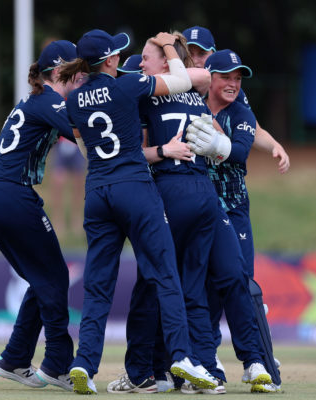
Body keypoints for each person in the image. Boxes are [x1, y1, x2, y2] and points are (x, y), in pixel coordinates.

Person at [107, 33, 273, 395]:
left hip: (172, 194)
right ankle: (200, 369)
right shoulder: (190, 89)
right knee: (193, 286)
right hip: (204, 197)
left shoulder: (159, 88)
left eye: (146, 58)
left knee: (158, 283)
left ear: (166, 63)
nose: (140, 65)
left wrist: (168, 151)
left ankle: (149, 372)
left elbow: (130, 153)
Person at [58, 28, 219, 395]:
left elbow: (85, 150)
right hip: (136, 190)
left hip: (97, 193)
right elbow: (181, 80)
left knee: (97, 286)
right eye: (117, 53)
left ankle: (84, 363)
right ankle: (180, 355)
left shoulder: (74, 100)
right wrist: (167, 46)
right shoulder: (128, 87)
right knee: (165, 273)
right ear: (112, 61)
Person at [0, 40, 86, 391]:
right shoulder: (52, 101)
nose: (82, 77)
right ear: (58, 73)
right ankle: (57, 363)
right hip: (12, 195)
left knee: (42, 279)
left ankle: (15, 357)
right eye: (76, 72)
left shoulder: (37, 100)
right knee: (54, 276)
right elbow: (87, 135)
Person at [186, 49, 290, 393]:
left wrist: (216, 144)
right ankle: (208, 362)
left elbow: (242, 151)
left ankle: (257, 362)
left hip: (232, 209)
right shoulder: (190, 101)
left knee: (241, 283)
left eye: (237, 78)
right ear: (209, 78)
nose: (233, 83)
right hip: (200, 209)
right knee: (202, 288)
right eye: (226, 77)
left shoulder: (240, 110)